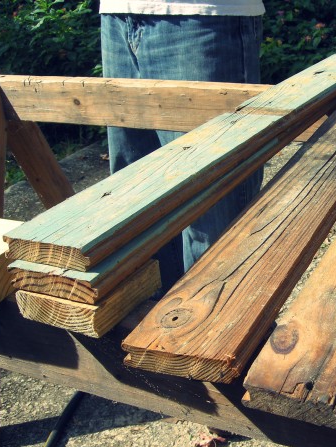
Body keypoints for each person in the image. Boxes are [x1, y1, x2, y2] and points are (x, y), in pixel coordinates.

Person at [99, 1, 265, 292]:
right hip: (116, 14)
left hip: (201, 16)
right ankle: (156, 330)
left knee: (213, 214)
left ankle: (216, 332)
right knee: (135, 200)